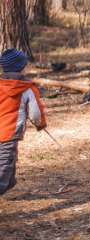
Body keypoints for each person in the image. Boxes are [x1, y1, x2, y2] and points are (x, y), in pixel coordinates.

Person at [0, 49, 47, 195]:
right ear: (22, 68)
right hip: (9, 133)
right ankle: (3, 183)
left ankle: (9, 181)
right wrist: (40, 124)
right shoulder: (27, 88)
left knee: (9, 162)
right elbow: (35, 113)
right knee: (5, 163)